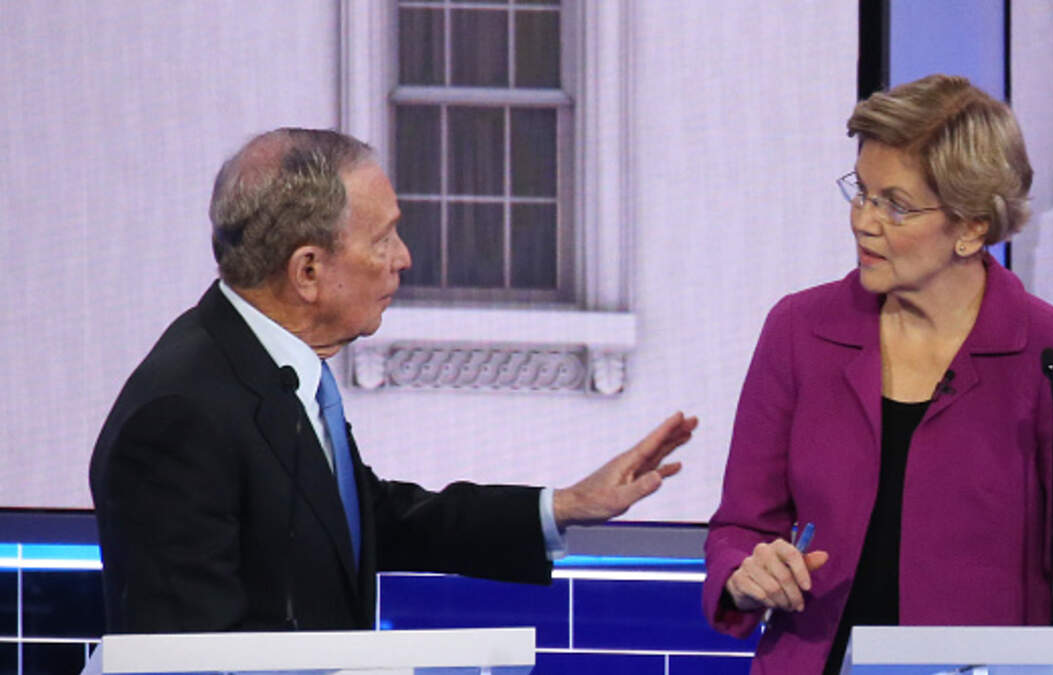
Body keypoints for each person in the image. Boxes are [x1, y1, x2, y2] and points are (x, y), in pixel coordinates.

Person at [90, 127, 698, 633]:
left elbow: (365, 519)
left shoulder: (269, 366)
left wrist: (563, 505)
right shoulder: (180, 416)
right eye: (383, 239)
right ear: (308, 271)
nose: (403, 258)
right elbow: (189, 657)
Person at [702, 75, 1053, 673]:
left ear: (971, 226)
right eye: (862, 192)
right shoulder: (800, 330)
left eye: (896, 205)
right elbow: (741, 526)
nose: (864, 221)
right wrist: (745, 573)